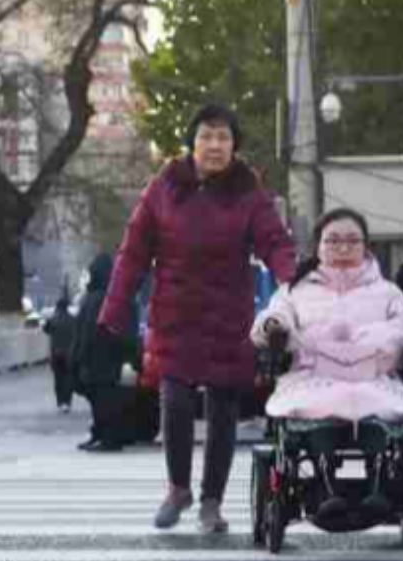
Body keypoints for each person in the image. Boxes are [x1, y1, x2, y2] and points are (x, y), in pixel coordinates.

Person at [99, 102, 297, 533]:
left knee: (224, 407)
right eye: (206, 136)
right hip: (176, 312)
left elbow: (275, 243)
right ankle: (178, 488)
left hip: (229, 314)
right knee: (175, 397)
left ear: (234, 147)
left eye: (223, 138)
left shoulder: (249, 192)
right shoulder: (164, 187)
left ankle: (212, 502)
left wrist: (295, 283)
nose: (214, 145)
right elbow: (133, 252)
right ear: (191, 143)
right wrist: (114, 308)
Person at [254, 210, 403, 518]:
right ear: (318, 245)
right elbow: (274, 316)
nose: (342, 248)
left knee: (379, 413)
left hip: (373, 375)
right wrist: (274, 329)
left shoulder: (387, 291)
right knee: (318, 409)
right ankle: (325, 491)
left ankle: (376, 490)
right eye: (333, 241)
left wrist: (376, 338)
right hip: (313, 375)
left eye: (351, 241)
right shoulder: (295, 290)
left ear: (365, 246)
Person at [72, 254, 136, 452]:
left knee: (106, 401)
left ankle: (109, 438)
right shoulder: (98, 297)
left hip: (104, 359)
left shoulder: (106, 298)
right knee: (100, 401)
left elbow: (94, 330)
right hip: (98, 359)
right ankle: (100, 434)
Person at [42, 294, 77, 413]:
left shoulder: (53, 320)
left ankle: (60, 402)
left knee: (58, 379)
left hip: (56, 354)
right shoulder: (73, 320)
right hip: (69, 354)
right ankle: (67, 402)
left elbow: (45, 330)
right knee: (68, 379)